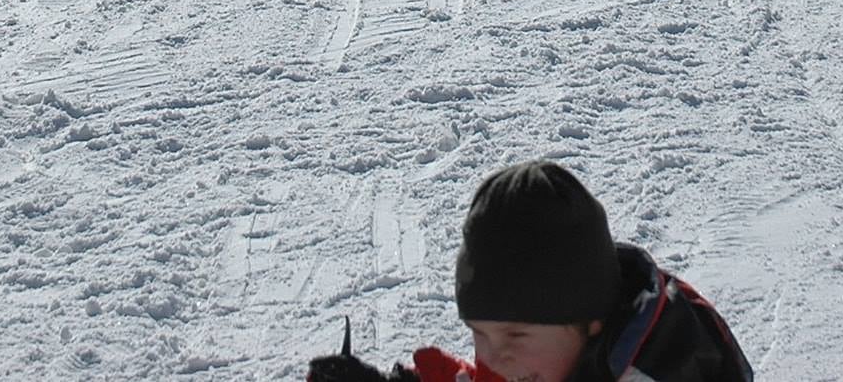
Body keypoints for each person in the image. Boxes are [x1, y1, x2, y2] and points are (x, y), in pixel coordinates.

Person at [302, 161, 753, 382]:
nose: (494, 358)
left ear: (589, 320)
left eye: (515, 336)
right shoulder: (554, 355)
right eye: (481, 333)